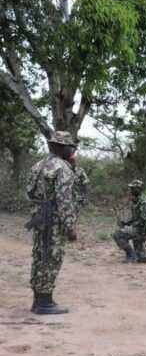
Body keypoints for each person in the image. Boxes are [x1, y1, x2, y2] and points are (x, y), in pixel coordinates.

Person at [25, 131, 79, 314]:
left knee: (40, 255)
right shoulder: (62, 168)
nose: (71, 149)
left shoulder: (38, 166)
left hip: (39, 218)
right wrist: (70, 227)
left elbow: (29, 194)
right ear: (62, 147)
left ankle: (37, 300)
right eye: (68, 146)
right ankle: (45, 303)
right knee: (52, 257)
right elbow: (64, 200)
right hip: (54, 220)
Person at [113, 180, 146, 263]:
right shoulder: (136, 200)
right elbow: (136, 218)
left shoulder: (144, 201)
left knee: (118, 234)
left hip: (142, 230)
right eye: (131, 188)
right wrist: (126, 223)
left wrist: (129, 226)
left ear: (138, 189)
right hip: (138, 228)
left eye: (132, 188)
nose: (130, 190)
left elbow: (143, 220)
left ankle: (131, 256)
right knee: (142, 258)